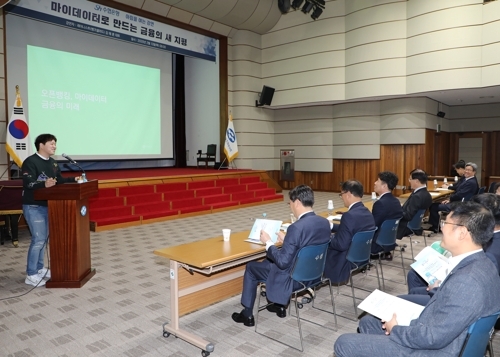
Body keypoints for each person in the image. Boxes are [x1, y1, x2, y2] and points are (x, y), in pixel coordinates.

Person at [334, 201, 500, 356]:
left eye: (446, 224)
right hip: (441, 331)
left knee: (343, 343)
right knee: (368, 322)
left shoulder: (468, 280)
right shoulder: (482, 263)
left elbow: (433, 337)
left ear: (462, 232)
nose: (442, 229)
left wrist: (397, 329)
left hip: (436, 350)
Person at [231, 185, 330, 326]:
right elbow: (308, 247)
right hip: (313, 275)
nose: (290, 207)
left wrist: (268, 243)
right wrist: (287, 240)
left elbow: (283, 262)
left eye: (290, 203)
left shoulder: (296, 227)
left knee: (251, 267)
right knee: (268, 262)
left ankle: (247, 314)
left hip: (292, 279)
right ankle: (280, 306)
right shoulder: (324, 222)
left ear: (296, 202)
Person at [402, 194, 500, 306]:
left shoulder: (488, 254)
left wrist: (438, 287)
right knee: (414, 277)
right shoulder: (488, 240)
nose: (442, 228)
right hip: (459, 288)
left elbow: (466, 291)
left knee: (404, 298)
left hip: (455, 299)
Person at [22, 134, 81, 287]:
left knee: (44, 239)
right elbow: (28, 183)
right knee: (38, 240)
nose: (54, 146)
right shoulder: (30, 161)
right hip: (33, 205)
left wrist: (72, 180)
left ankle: (39, 268)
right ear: (41, 145)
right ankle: (31, 274)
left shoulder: (53, 163)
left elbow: (58, 180)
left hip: (49, 205)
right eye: (51, 143)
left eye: (55, 144)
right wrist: (44, 184)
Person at [323, 180, 376, 284]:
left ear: (347, 194)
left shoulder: (349, 216)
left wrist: (325, 236)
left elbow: (341, 244)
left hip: (344, 259)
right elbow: (352, 229)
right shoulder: (367, 212)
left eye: (341, 194)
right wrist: (332, 226)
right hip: (361, 255)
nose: (341, 197)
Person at [428, 162, 479, 232]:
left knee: (434, 206)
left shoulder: (471, 182)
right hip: (460, 202)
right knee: (436, 204)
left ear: (474, 172)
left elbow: (460, 195)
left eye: (469, 170)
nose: (466, 171)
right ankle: (435, 225)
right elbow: (458, 189)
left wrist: (450, 199)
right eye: (466, 169)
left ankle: (435, 227)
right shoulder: (467, 179)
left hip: (461, 204)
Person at [370, 171, 403, 258]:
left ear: (384, 186)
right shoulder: (396, 201)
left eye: (377, 181)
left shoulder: (380, 204)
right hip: (389, 240)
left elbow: (372, 226)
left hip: (376, 244)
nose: (375, 183)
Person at [396, 169, 432, 239]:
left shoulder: (417, 196)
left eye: (410, 179)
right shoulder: (427, 194)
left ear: (416, 181)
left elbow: (408, 216)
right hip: (416, 224)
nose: (409, 181)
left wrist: (396, 209)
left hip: (405, 226)